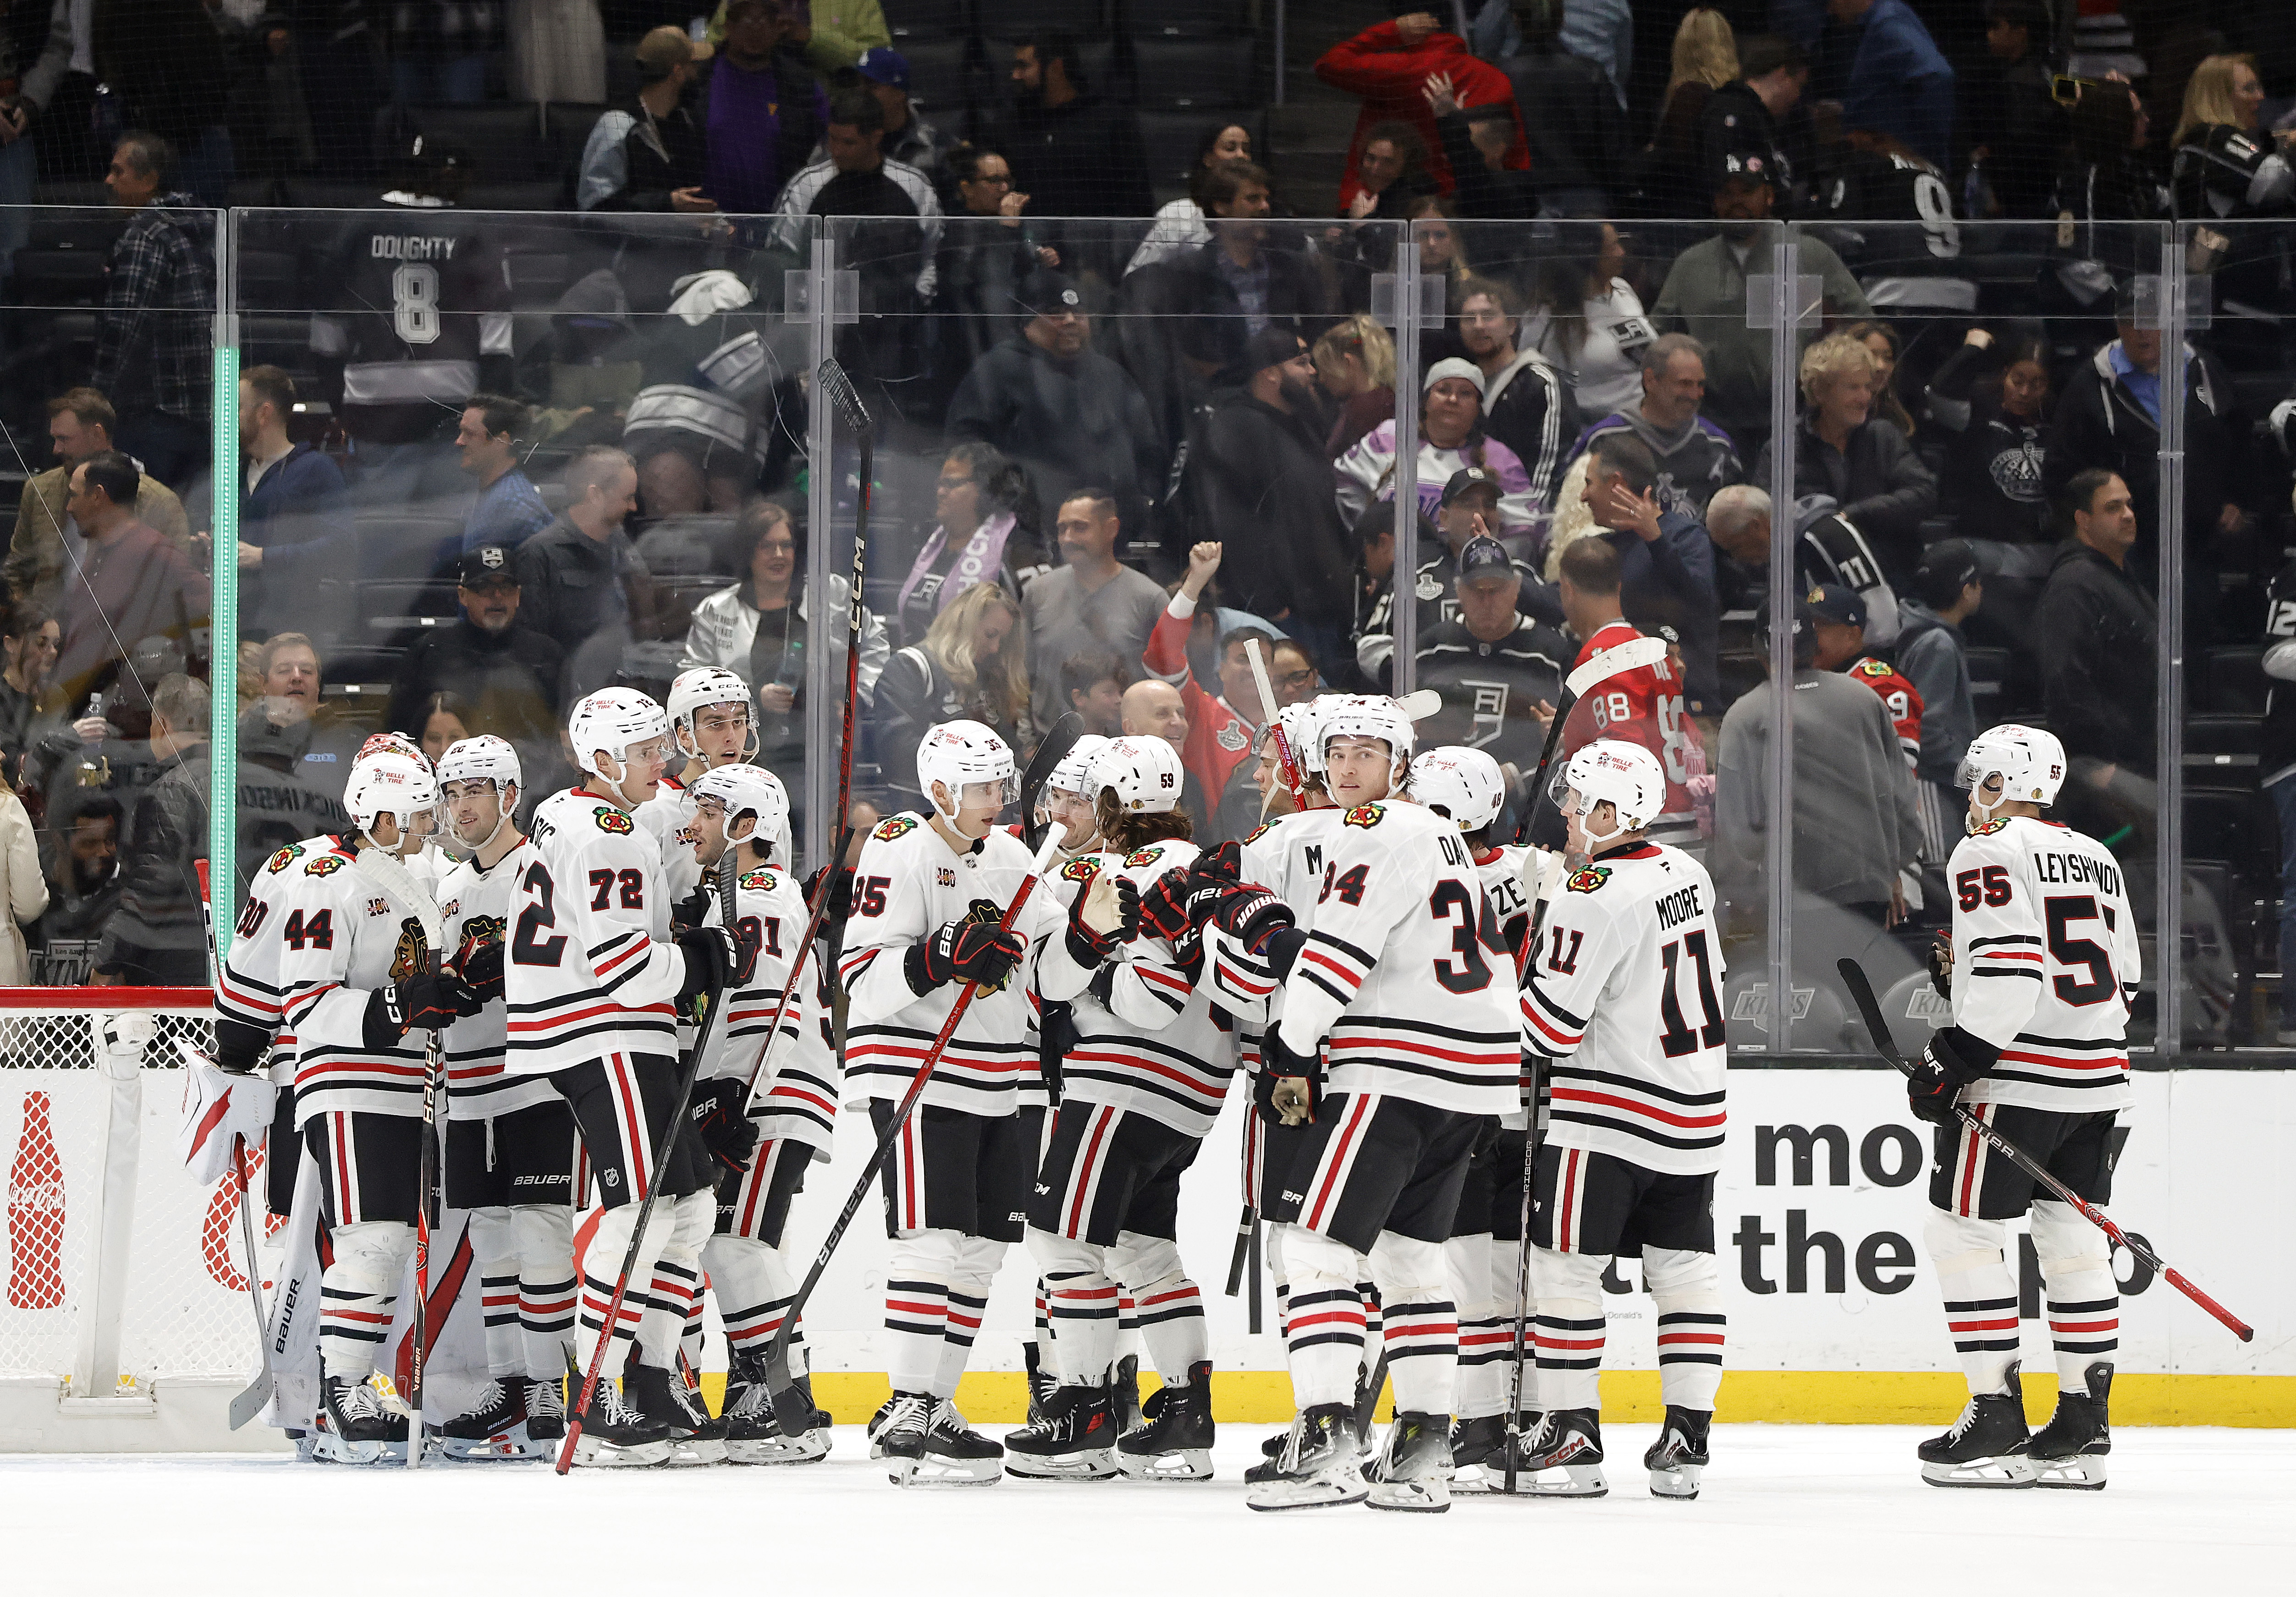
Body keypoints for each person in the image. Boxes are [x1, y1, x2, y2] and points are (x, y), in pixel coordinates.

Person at [1195, 696, 1517, 1511]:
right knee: (1410, 1260)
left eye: (1367, 752)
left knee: (1314, 1249)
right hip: (1470, 1073)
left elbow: (1338, 954)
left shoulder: (1375, 829)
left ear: (1399, 765)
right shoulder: (1438, 834)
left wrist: (1290, 1044)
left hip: (1395, 1065)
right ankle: (1423, 1448)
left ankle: (1326, 1440)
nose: (1346, 766)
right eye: (1336, 751)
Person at [501, 688, 736, 1466]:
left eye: (659, 746)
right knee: (642, 1209)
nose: (659, 761)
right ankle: (597, 1390)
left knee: (690, 1206)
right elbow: (625, 966)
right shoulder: (608, 832)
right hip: (603, 1031)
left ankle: (654, 1378)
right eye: (643, 752)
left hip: (604, 1030)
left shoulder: (568, 814)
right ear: (601, 759)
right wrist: (700, 957)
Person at [1909, 724, 2137, 1490]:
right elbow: (2127, 979)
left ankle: (1995, 1418)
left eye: (1978, 782)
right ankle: (2081, 1427)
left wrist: (1953, 1057)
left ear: (1999, 784)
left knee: (1961, 1228)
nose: (1970, 799)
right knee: (2073, 1243)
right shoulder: (2097, 855)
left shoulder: (1987, 848)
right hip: (2100, 1078)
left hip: (2018, 1078)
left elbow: (2009, 975)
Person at [215, 744, 458, 1463]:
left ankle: (338, 1390)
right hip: (345, 1079)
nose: (431, 824)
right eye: (419, 812)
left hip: (407, 1079)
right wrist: (400, 1006)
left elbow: (416, 978)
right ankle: (335, 1393)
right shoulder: (325, 879)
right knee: (366, 1239)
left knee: (384, 1240)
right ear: (382, 814)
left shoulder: (413, 876)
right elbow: (306, 1001)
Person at [838, 719, 1064, 1484]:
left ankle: (935, 1403)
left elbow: (1051, 966)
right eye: (982, 787)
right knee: (930, 1239)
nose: (998, 798)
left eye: (1002, 784)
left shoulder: (1013, 858)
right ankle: (905, 1403)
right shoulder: (899, 844)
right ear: (938, 789)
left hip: (998, 1074)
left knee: (982, 1249)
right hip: (915, 1069)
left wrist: (1090, 937)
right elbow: (861, 977)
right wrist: (937, 957)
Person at [1509, 738, 1726, 1498]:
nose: (1565, 811)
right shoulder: (1687, 871)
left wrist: (1513, 970)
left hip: (1607, 1113)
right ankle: (1686, 1438)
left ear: (1610, 810)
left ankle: (1571, 1435)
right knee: (1684, 1270)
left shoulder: (1590, 892)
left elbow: (1546, 1031)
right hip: (1693, 1108)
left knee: (1565, 1269)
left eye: (1577, 800)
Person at [1014, 735, 1230, 1480]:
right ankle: (1185, 1414)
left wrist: (1088, 980)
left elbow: (1132, 992)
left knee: (1059, 1239)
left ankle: (1082, 1408)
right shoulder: (1201, 866)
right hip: (1193, 1090)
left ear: (1110, 802)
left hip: (1121, 1080)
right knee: (1141, 1247)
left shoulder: (1120, 872)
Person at [422, 735, 578, 1457]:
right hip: (467, 1080)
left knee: (542, 1227)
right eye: (452, 793)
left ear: (510, 794)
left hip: (536, 1076)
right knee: (490, 1234)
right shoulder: (447, 887)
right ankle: (510, 1381)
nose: (461, 806)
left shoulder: (541, 869)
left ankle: (550, 1382)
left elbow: (568, 961)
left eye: (475, 791)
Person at [685, 761, 838, 1462]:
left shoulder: (759, 892)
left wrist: (732, 1093)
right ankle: (763, 1385)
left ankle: (783, 1399)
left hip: (770, 1089)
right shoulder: (738, 892)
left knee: (735, 1243)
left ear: (747, 825)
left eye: (709, 813)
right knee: (739, 1241)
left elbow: (767, 1002)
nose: (694, 825)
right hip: (765, 1086)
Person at [2041, 287, 2251, 635]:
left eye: (2152, 321)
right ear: (2117, 325)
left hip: (2196, 537)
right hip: (2123, 546)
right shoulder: (2088, 385)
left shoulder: (2206, 370)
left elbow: (2240, 440)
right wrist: (2090, 527)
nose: (2142, 332)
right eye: (2131, 321)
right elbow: (2062, 470)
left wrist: (2235, 499)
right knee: (2133, 636)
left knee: (2194, 635)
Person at [1712, 602, 1920, 928]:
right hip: (1866, 889)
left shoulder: (1746, 714)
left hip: (1787, 900)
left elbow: (1734, 823)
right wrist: (1892, 869)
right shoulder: (1863, 699)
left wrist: (1740, 892)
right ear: (1814, 644)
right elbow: (1902, 798)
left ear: (1758, 650)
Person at [1652, 149, 1869, 460]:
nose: (1737, 202)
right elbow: (1658, 335)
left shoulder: (1808, 253)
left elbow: (1862, 323)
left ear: (1769, 196)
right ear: (1715, 202)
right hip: (1711, 419)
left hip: (1796, 416)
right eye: (1727, 194)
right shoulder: (1691, 263)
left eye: (1747, 192)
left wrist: (1829, 373)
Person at [679, 497, 887, 797]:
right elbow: (693, 683)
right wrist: (751, 699)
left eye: (786, 545)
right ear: (748, 552)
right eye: (767, 546)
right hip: (743, 752)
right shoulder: (716, 610)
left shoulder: (832, 594)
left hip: (821, 748)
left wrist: (856, 697)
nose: (778, 555)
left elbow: (874, 643)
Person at [945, 271, 1165, 542]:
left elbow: (1148, 451)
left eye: (1078, 314)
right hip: (1027, 535)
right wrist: (1006, 510)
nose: (1070, 321)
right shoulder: (998, 370)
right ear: (1028, 322)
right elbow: (966, 449)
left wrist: (1139, 506)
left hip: (1108, 536)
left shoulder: (1112, 376)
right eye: (1056, 314)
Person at [1191, 328, 1357, 678]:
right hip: (1282, 613)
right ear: (1269, 373)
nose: (1312, 372)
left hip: (1319, 605)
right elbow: (1234, 521)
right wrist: (1268, 600)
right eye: (1301, 363)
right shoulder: (1237, 427)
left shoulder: (1300, 423)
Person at [1752, 333, 1937, 583]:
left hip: (1888, 577)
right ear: (1820, 391)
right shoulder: (1785, 449)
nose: (1865, 398)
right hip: (1813, 583)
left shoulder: (1883, 436)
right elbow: (1765, 519)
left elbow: (1924, 493)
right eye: (1853, 388)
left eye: (1868, 387)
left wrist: (1854, 514)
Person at [1551, 537, 1697, 848]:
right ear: (1619, 587)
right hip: (1679, 819)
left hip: (1639, 832)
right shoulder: (1652, 650)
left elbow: (1619, 750)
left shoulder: (1603, 655)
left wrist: (1589, 836)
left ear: (1567, 589)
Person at [90, 131, 215, 491]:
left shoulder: (146, 234)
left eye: (119, 172)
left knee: (141, 517)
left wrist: (96, 405)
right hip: (205, 415)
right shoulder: (200, 228)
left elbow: (124, 328)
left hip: (154, 417)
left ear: (149, 181)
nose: (108, 181)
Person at [2037, 471, 2156, 840]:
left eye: (2129, 505)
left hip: (2138, 764)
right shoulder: (2074, 585)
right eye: (2112, 507)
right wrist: (2097, 763)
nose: (2128, 515)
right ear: (2083, 519)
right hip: (2106, 778)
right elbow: (2065, 677)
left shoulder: (2119, 580)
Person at [50, 450, 207, 717]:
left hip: (125, 721)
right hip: (82, 710)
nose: (69, 507)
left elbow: (211, 615)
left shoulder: (156, 555)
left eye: (74, 496)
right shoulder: (100, 551)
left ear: (98, 495)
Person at [6, 388, 190, 613]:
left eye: (64, 439)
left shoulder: (159, 503)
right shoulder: (40, 491)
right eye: (54, 439)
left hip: (121, 629)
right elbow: (16, 570)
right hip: (48, 628)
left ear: (96, 434)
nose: (56, 450)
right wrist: (30, 623)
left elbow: (177, 586)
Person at [387, 546, 567, 775]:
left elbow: (563, 739)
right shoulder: (430, 654)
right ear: (463, 596)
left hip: (530, 782)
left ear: (518, 596)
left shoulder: (548, 656)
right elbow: (399, 735)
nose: (497, 597)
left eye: (506, 588)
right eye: (484, 588)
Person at [1316, 12, 1527, 207]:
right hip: (1475, 202)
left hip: (1393, 204)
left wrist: (1391, 32)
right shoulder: (1497, 80)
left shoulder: (1403, 70)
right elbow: (1516, 159)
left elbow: (1329, 64)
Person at [1573, 433, 1719, 713]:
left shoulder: (1686, 536)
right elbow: (1562, 600)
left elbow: (1700, 604)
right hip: (1623, 709)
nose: (1583, 496)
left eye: (1589, 483)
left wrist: (1655, 540)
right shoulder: (1604, 549)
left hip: (1688, 711)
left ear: (1616, 484)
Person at [992, 31, 1152, 274]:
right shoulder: (1011, 123)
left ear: (1055, 67)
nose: (1015, 76)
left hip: (1094, 266)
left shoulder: (1110, 122)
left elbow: (1136, 205)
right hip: (1027, 262)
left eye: (1024, 66)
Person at [1336, 358, 1539, 550]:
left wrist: (1487, 563)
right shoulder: (1390, 437)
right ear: (1426, 401)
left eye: (1465, 393)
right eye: (1443, 390)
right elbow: (1345, 483)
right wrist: (1369, 543)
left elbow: (1523, 529)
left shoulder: (1500, 459)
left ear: (1478, 408)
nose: (1453, 400)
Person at [1140, 545, 1271, 841]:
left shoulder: (1289, 726)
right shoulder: (1200, 712)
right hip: (1216, 851)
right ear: (1221, 669)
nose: (1253, 669)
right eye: (1242, 659)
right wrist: (1194, 584)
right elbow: (1161, 656)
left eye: (1262, 661)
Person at [1414, 535, 1568, 772]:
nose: (1487, 601)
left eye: (1497, 590)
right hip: (1440, 780)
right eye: (1476, 591)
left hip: (1526, 790)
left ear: (1516, 589)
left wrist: (1516, 775)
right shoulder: (1431, 648)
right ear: (1459, 592)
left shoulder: (1552, 653)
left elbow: (1570, 739)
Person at [873, 583, 1030, 815]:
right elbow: (897, 751)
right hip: (924, 811)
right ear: (961, 624)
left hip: (988, 814)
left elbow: (1010, 752)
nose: (995, 648)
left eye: (1003, 641)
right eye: (990, 635)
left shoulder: (992, 677)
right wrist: (974, 765)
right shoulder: (911, 667)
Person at [512, 446, 654, 700]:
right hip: (570, 698)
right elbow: (532, 652)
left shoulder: (623, 546)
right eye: (628, 497)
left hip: (628, 691)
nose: (634, 507)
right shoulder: (539, 555)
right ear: (595, 495)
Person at [1020, 488, 1166, 733]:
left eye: (1080, 528)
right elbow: (1020, 676)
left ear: (1111, 529)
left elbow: (1170, 683)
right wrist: (1027, 742)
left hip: (1124, 745)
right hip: (1050, 745)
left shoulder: (1150, 599)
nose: (1067, 538)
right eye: (1062, 529)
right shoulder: (1038, 593)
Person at [226, 365, 352, 642]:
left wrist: (264, 557)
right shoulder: (231, 473)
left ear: (264, 414)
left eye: (236, 409)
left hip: (293, 626)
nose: (226, 418)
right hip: (237, 623)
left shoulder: (316, 470)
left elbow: (341, 546)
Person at [1567, 335, 1742, 522]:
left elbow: (1736, 521)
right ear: (1650, 380)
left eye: (1700, 385)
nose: (1695, 395)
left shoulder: (1718, 446)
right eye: (1684, 384)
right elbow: (1569, 511)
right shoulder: (1603, 440)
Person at [895, 443, 1051, 647]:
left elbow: (1036, 626)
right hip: (921, 663)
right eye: (940, 484)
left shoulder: (1016, 549)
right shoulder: (932, 544)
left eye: (952, 484)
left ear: (986, 490)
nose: (941, 492)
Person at [1490, 0, 1628, 214]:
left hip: (1519, 203)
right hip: (1584, 201)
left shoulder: (1495, 77)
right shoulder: (1591, 73)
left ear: (1516, 20)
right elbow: (1612, 148)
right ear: (1562, 19)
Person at [1454, 280, 1578, 509]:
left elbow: (1551, 470)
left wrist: (1527, 519)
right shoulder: (1459, 386)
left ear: (1512, 325)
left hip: (1522, 517)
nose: (1479, 326)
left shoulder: (1541, 383)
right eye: (1469, 319)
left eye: (1488, 316)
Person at [1897, 540, 1984, 859]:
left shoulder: (1928, 635)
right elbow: (1927, 734)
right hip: (1932, 788)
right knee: (1940, 874)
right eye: (1978, 582)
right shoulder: (1938, 644)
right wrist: (1973, 775)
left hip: (1936, 784)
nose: (1982, 589)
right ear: (1966, 590)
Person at [1925, 328, 2052, 545]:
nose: (2025, 392)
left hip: (2039, 542)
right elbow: (1939, 394)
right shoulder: (1978, 411)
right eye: (2018, 381)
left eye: (2037, 384)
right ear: (2005, 375)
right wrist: (1971, 350)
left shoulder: (2056, 420)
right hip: (1983, 539)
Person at [705, 0, 825, 222]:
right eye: (747, 19)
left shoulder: (800, 86)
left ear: (779, 26)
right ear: (729, 26)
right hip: (707, 223)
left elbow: (829, 147)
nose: (756, 29)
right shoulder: (699, 80)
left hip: (780, 222)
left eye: (765, 19)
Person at [576, 26, 714, 214]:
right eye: (692, 65)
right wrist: (667, 204)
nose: (697, 73)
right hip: (630, 235)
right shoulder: (616, 125)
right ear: (678, 72)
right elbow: (595, 208)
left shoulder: (686, 123)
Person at [1964, 0, 2064, 221]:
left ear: (2021, 32)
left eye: (1996, 27)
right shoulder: (2048, 75)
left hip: (2020, 207)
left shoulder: (2020, 84)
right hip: (2038, 199)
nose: (1989, 35)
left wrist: (1995, 188)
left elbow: (2019, 152)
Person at [1825, 0, 1955, 169]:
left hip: (1904, 170)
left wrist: (1924, 150)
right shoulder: (1876, 23)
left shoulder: (1888, 22)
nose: (1830, 10)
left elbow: (1937, 76)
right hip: (1881, 163)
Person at [2169, 52, 2293, 223]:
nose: (2261, 96)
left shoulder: (2202, 141)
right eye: (2249, 89)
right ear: (2220, 98)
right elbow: (2274, 182)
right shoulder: (2211, 139)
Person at [1641, 8, 1738, 218]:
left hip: (1688, 212)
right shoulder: (1738, 96)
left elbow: (1679, 159)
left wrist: (1653, 152)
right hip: (1726, 206)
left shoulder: (1688, 97)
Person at [1128, 122, 1256, 276]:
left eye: (1246, 150)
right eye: (1230, 148)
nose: (1241, 156)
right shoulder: (1177, 215)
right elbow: (1140, 276)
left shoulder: (1261, 212)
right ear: (1208, 159)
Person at [1695, 36, 1808, 208]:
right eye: (1798, 85)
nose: (1797, 96)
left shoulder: (1759, 116)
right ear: (1782, 74)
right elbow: (1722, 188)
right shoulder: (1730, 113)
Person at [454, 397, 553, 556]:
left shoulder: (517, 507)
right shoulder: (490, 492)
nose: (459, 441)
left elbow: (542, 566)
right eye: (461, 432)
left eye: (470, 434)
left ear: (502, 441)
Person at [851, 46, 953, 182]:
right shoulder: (840, 139)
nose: (861, 93)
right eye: (858, 84)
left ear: (900, 93)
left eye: (872, 85)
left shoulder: (938, 146)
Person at [1313, 315, 1398, 460]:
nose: (1322, 379)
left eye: (1326, 369)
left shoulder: (1364, 411)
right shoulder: (1387, 398)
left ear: (1348, 363)